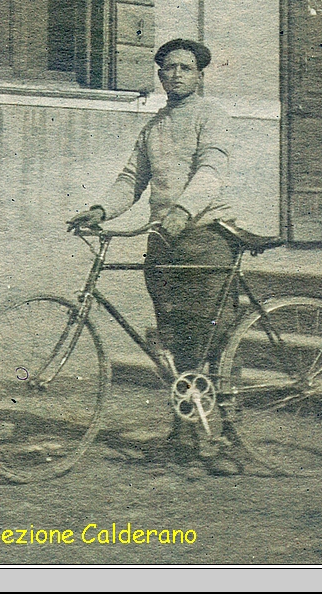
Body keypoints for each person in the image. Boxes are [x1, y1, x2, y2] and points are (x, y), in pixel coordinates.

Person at [68, 37, 240, 473]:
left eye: (185, 67)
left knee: (212, 344)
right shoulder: (154, 127)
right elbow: (131, 179)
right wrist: (101, 209)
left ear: (199, 74)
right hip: (163, 242)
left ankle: (224, 439)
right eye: (168, 68)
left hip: (206, 238)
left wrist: (182, 210)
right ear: (161, 76)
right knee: (174, 341)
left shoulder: (211, 115)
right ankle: (185, 430)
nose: (176, 74)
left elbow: (212, 170)